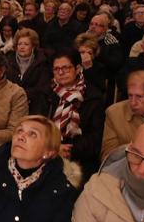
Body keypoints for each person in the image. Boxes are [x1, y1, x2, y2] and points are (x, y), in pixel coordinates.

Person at [35, 48, 105, 183]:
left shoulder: (93, 97)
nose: (60, 73)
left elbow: (95, 139)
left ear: (78, 68)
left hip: (79, 157)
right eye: (56, 69)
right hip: (45, 152)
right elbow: (36, 125)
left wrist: (67, 150)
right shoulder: (45, 92)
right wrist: (53, 148)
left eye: (66, 68)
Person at [4, 27, 52, 113]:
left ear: (33, 46)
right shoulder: (8, 61)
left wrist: (21, 95)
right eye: (19, 44)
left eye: (26, 44)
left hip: (34, 104)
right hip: (10, 103)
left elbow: (42, 88)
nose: (22, 47)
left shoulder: (42, 62)